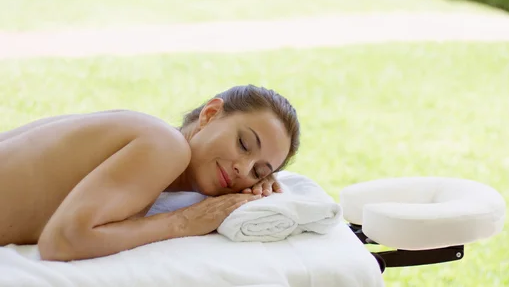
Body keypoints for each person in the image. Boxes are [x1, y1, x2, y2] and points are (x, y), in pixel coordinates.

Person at [0, 84, 300, 262]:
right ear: (210, 114)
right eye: (244, 143)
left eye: (259, 171)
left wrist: (257, 185)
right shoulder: (166, 147)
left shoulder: (149, 137)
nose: (243, 169)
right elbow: (62, 241)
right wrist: (184, 222)